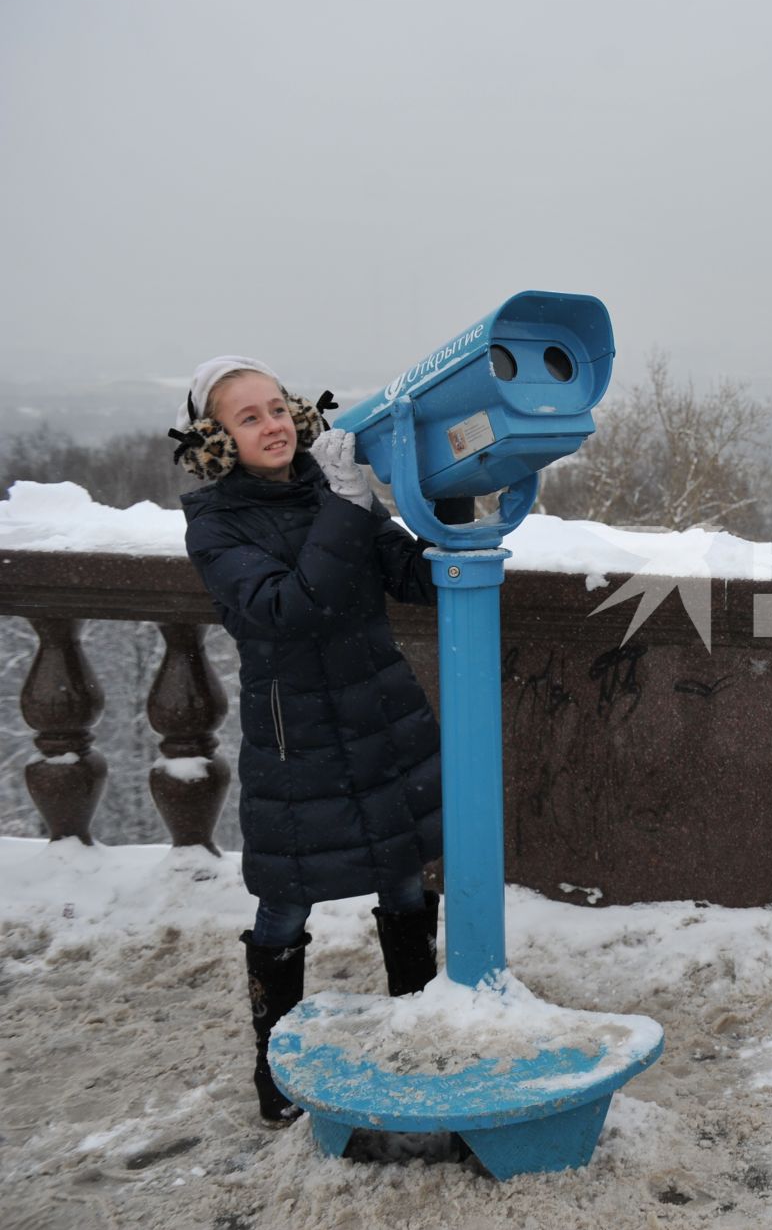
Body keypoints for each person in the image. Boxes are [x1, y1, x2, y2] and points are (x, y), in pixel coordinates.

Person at [172, 356, 444, 1126]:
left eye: (278, 407)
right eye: (248, 416)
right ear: (214, 442)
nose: (274, 424)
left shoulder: (332, 489)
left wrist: (450, 498)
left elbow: (413, 578)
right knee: (285, 904)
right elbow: (290, 609)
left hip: (380, 718)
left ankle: (417, 1034)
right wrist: (350, 507)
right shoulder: (216, 523)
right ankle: (274, 1071)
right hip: (300, 743)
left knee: (404, 878)